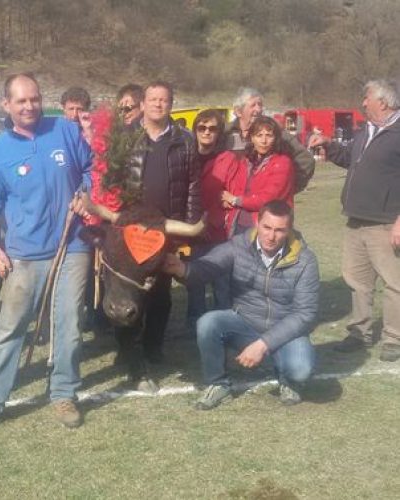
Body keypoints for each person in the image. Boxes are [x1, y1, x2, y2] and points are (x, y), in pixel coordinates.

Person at [0, 73, 92, 432]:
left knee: (69, 325)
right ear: (6, 105)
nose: (29, 106)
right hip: (24, 253)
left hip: (73, 245)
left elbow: (90, 168)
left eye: (35, 99)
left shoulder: (65, 131)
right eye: (21, 101)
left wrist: (86, 194)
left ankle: (64, 392)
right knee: (10, 327)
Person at [164, 200, 319, 409]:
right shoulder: (239, 245)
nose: (271, 236)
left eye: (279, 230)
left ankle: (287, 379)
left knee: (300, 370)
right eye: (266, 227)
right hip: (245, 322)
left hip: (285, 330)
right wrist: (183, 269)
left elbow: (305, 314)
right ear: (257, 222)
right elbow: (209, 266)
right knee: (208, 322)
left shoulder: (305, 260)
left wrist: (262, 345)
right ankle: (217, 383)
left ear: (289, 230)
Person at [308, 79, 400, 362]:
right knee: (357, 282)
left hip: (385, 223)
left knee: (394, 283)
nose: (362, 103)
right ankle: (359, 333)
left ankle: (394, 339)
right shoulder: (366, 131)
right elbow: (351, 158)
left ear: (383, 102)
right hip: (356, 221)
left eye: (367, 98)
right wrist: (329, 145)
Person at [128, 81, 200, 365]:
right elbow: (111, 182)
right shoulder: (125, 137)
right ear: (142, 104)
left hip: (167, 228)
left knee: (160, 292)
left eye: (165, 100)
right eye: (153, 99)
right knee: (131, 289)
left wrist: (189, 228)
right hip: (131, 228)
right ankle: (128, 348)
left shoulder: (185, 140)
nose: (159, 104)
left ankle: (153, 346)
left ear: (171, 104)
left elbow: (193, 185)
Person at [186, 109, 238, 326]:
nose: (207, 132)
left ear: (220, 133)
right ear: (195, 130)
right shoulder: (186, 156)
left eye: (212, 128)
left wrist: (218, 218)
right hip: (191, 230)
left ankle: (223, 324)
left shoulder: (229, 159)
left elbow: (233, 196)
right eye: (202, 127)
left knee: (221, 283)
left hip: (219, 232)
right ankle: (195, 325)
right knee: (194, 281)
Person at [225, 87, 314, 193]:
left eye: (260, 105)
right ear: (238, 111)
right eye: (253, 105)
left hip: (265, 204)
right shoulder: (224, 134)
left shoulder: (275, 132)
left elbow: (306, 159)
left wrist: (288, 189)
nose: (258, 110)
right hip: (231, 202)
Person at [222, 116, 295, 236]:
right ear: (252, 138)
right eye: (259, 135)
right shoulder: (247, 161)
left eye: (269, 135)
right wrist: (224, 199)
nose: (264, 141)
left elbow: (267, 199)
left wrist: (235, 200)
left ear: (275, 138)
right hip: (238, 224)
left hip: (266, 228)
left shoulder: (282, 163)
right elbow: (235, 188)